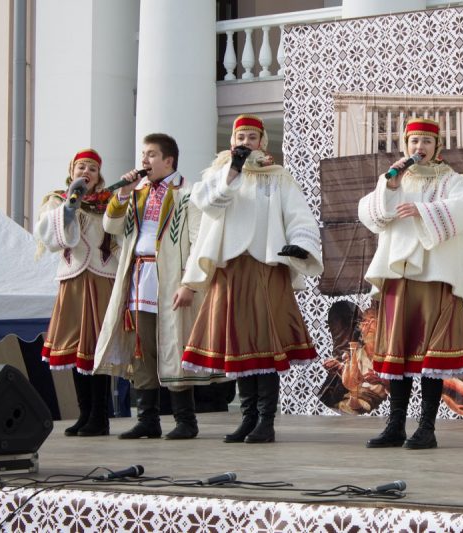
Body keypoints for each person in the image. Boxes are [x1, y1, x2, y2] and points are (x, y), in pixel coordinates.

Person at [180, 114, 322, 444]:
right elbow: (209, 205)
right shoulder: (217, 175)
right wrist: (232, 171)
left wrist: (299, 245)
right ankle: (247, 418)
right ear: (232, 142)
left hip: (265, 267)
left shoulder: (277, 177)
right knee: (240, 345)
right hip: (231, 268)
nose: (245, 142)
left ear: (262, 142)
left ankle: (266, 421)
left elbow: (299, 215)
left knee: (264, 345)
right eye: (240, 136)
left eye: (252, 137)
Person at [358, 117, 463, 450]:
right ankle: (395, 425)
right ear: (405, 146)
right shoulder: (396, 178)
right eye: (414, 142)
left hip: (435, 276)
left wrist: (422, 210)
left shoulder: (451, 179)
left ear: (437, 146)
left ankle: (426, 427)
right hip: (399, 276)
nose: (419, 148)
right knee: (397, 351)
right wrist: (389, 186)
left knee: (433, 355)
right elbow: (371, 216)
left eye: (426, 142)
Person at [94, 133, 221, 440]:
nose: (144, 160)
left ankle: (186, 421)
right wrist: (122, 194)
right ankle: (148, 419)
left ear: (169, 160)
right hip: (138, 277)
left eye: (151, 155)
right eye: (143, 154)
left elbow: (197, 241)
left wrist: (190, 284)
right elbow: (110, 227)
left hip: (170, 280)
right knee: (142, 350)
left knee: (174, 346)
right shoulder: (136, 192)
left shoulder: (188, 193)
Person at [34, 149, 118, 437]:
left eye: (92, 168)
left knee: (97, 348)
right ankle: (85, 413)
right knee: (75, 349)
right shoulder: (57, 200)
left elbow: (119, 230)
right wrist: (71, 204)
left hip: (101, 277)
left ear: (99, 175)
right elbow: (49, 236)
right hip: (73, 279)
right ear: (71, 171)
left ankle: (100, 416)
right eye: (81, 166)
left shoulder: (110, 201)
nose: (86, 171)